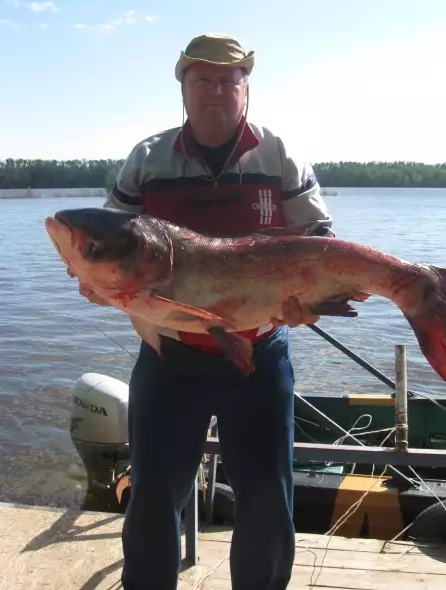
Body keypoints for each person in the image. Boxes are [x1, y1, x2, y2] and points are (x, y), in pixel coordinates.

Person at [75, 33, 334, 589]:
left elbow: (320, 243)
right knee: (151, 498)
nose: (216, 89)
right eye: (202, 79)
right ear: (183, 87)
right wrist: (94, 283)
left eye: (228, 79)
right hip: (169, 357)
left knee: (267, 499)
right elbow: (104, 243)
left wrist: (307, 303)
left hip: (260, 355)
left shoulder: (279, 154)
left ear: (246, 88)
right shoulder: (147, 158)